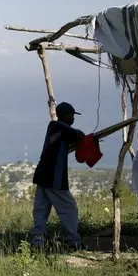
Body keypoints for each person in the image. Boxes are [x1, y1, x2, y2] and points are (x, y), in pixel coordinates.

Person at [30, 102, 86, 250]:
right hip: (54, 176)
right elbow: (78, 135)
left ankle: (38, 241)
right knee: (69, 208)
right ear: (66, 115)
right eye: (72, 115)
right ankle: (73, 240)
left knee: (41, 210)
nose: (73, 118)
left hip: (43, 175)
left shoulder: (56, 129)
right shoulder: (59, 127)